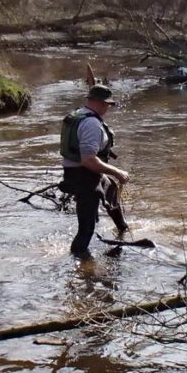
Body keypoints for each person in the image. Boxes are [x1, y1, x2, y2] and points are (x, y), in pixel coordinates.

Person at [59, 84, 131, 258]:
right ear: (99, 103)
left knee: (111, 189)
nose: (108, 108)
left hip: (78, 172)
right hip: (85, 177)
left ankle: (122, 229)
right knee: (86, 229)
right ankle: (80, 266)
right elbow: (89, 160)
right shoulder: (91, 123)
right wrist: (117, 172)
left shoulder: (79, 114)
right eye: (107, 104)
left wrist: (107, 152)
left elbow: (82, 146)